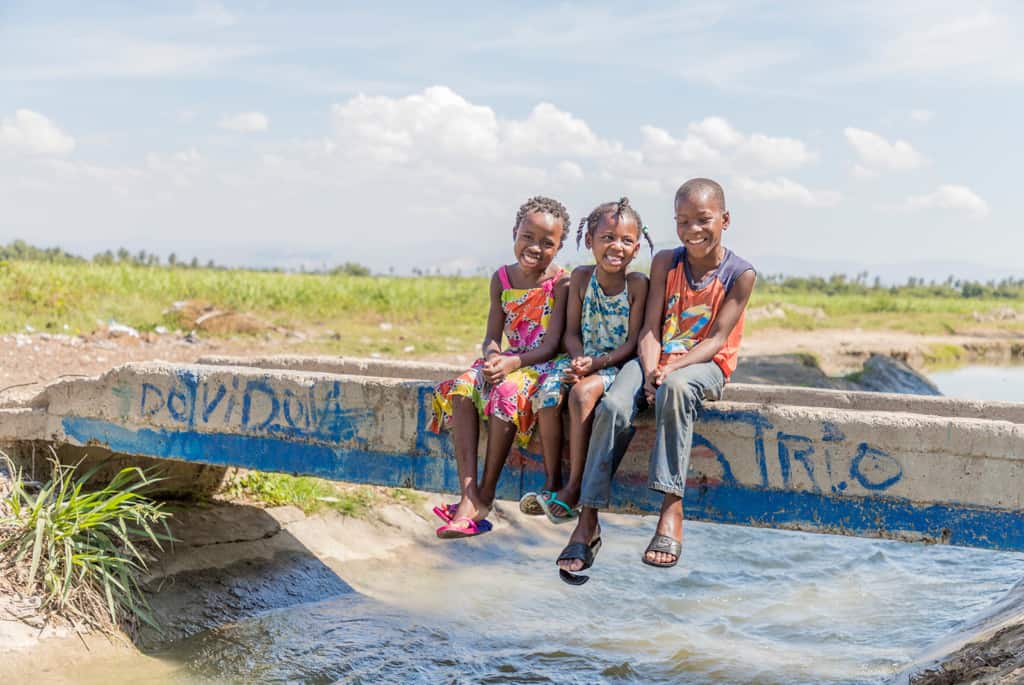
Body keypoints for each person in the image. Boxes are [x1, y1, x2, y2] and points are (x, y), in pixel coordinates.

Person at [556, 178, 756, 583]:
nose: (693, 230)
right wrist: (650, 372)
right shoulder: (666, 261)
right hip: (655, 359)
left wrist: (672, 372)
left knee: (677, 391)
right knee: (612, 405)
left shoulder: (741, 273)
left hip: (705, 364)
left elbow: (717, 338)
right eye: (683, 221)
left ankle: (671, 506)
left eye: (703, 220)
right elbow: (649, 329)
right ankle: (589, 517)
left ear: (725, 219)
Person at [428, 196, 571, 538]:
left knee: (506, 393)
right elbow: (492, 336)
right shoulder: (502, 279)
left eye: (547, 243)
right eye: (528, 237)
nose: (535, 247)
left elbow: (552, 345)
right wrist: (493, 356)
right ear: (514, 233)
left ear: (559, 247)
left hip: (542, 365)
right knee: (462, 386)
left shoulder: (562, 284)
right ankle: (468, 495)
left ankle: (486, 495)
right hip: (510, 359)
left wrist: (511, 363)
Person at [522, 198, 651, 529]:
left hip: (615, 365)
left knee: (581, 395)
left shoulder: (637, 285)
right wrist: (580, 357)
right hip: (582, 358)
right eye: (607, 238)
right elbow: (570, 333)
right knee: (548, 393)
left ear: (636, 248)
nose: (616, 247)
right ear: (590, 240)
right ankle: (551, 483)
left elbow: (633, 342)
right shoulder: (580, 279)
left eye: (625, 240)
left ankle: (573, 487)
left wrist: (597, 362)